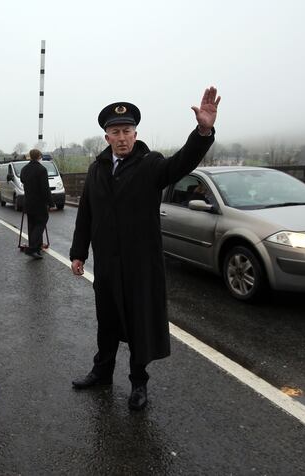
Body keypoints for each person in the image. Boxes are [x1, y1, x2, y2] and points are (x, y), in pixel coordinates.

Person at [69, 87, 220, 411]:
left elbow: (182, 163)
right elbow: (86, 213)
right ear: (106, 136)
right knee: (107, 321)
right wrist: (78, 252)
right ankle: (102, 372)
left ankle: (139, 384)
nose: (122, 137)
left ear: (135, 134)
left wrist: (203, 131)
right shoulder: (96, 170)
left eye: (127, 131)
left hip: (141, 265)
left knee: (139, 324)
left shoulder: (151, 165)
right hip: (108, 264)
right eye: (115, 132)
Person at [20, 149, 53, 259]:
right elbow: (45, 188)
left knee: (32, 225)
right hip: (39, 202)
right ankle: (32, 248)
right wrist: (51, 202)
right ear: (39, 156)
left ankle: (37, 248)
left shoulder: (24, 169)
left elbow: (23, 180)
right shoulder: (41, 169)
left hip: (28, 201)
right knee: (40, 224)